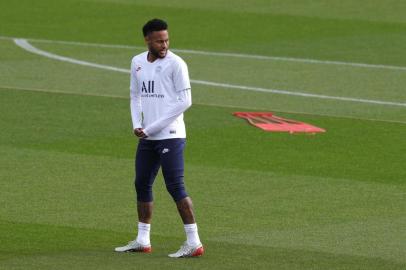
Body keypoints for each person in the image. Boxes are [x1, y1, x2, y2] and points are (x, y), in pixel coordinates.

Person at [114, 18, 204, 258]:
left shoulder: (177, 64)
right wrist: (137, 124)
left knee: (175, 185)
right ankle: (143, 239)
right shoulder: (137, 62)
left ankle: (194, 242)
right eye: (159, 41)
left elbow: (185, 101)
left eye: (167, 40)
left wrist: (152, 127)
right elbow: (135, 96)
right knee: (141, 183)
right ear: (147, 40)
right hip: (147, 136)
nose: (164, 45)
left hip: (170, 135)